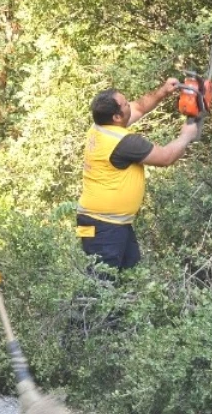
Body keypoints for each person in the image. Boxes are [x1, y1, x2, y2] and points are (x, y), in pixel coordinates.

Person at [77, 80, 199, 272]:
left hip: (111, 224)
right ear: (117, 117)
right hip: (103, 226)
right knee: (99, 285)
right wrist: (186, 135)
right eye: (125, 104)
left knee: (130, 275)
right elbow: (166, 158)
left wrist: (162, 92)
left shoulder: (101, 125)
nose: (129, 105)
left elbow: (140, 107)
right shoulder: (124, 142)